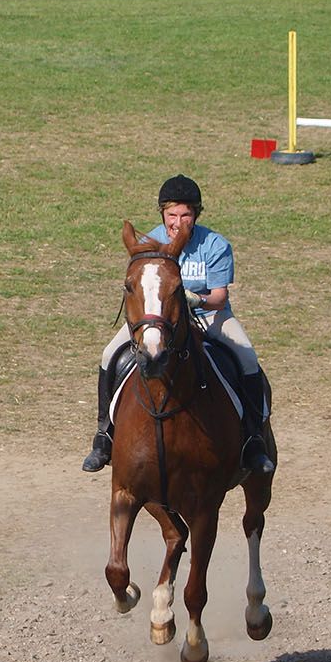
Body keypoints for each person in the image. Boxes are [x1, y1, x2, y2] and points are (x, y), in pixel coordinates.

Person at [81, 174, 275, 475]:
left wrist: (191, 300)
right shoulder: (148, 244)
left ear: (195, 215)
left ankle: (253, 439)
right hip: (158, 320)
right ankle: (103, 436)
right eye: (172, 214)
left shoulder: (215, 245)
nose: (178, 222)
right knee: (109, 355)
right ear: (163, 214)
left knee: (247, 358)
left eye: (186, 214)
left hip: (210, 316)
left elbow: (219, 297)